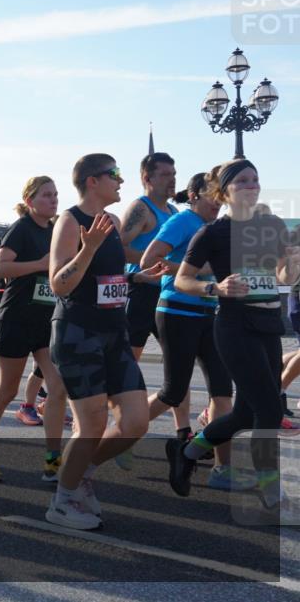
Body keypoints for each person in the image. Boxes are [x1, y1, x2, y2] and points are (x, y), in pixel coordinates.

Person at [167, 159, 300, 510]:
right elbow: (182, 279)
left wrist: (293, 261)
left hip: (269, 327)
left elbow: (284, 278)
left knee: (244, 415)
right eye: (242, 181)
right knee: (270, 408)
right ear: (224, 192)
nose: (252, 185)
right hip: (233, 327)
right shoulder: (211, 233)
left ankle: (189, 451)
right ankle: (270, 488)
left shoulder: (271, 224)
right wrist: (218, 288)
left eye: (255, 179)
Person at [46, 154, 162, 530]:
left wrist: (137, 278)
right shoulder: (70, 221)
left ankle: (82, 473)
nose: (121, 180)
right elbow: (59, 285)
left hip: (115, 331)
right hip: (78, 333)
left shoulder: (112, 222)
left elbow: (108, 281)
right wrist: (88, 248)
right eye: (114, 174)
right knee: (91, 423)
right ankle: (63, 500)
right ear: (92, 181)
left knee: (136, 421)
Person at [139, 173, 244, 489]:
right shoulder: (184, 221)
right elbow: (149, 260)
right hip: (175, 312)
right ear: (196, 195)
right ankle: (123, 431)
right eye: (213, 194)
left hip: (209, 313)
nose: (218, 201)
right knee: (173, 391)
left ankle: (222, 469)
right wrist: (196, 269)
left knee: (223, 391)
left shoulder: (217, 229)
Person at [0, 176, 69, 484]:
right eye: (46, 195)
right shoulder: (22, 228)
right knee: (7, 389)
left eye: (55, 195)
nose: (53, 200)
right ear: (30, 201)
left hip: (44, 319)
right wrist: (39, 264)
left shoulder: (54, 231)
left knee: (57, 386)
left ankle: (54, 458)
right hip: (15, 318)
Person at [119, 152, 178, 360]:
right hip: (142, 292)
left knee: (179, 359)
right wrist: (152, 261)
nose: (172, 180)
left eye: (174, 174)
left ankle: (171, 394)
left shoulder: (173, 211)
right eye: (165, 174)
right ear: (147, 178)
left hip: (167, 293)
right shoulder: (141, 209)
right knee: (128, 361)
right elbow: (117, 249)